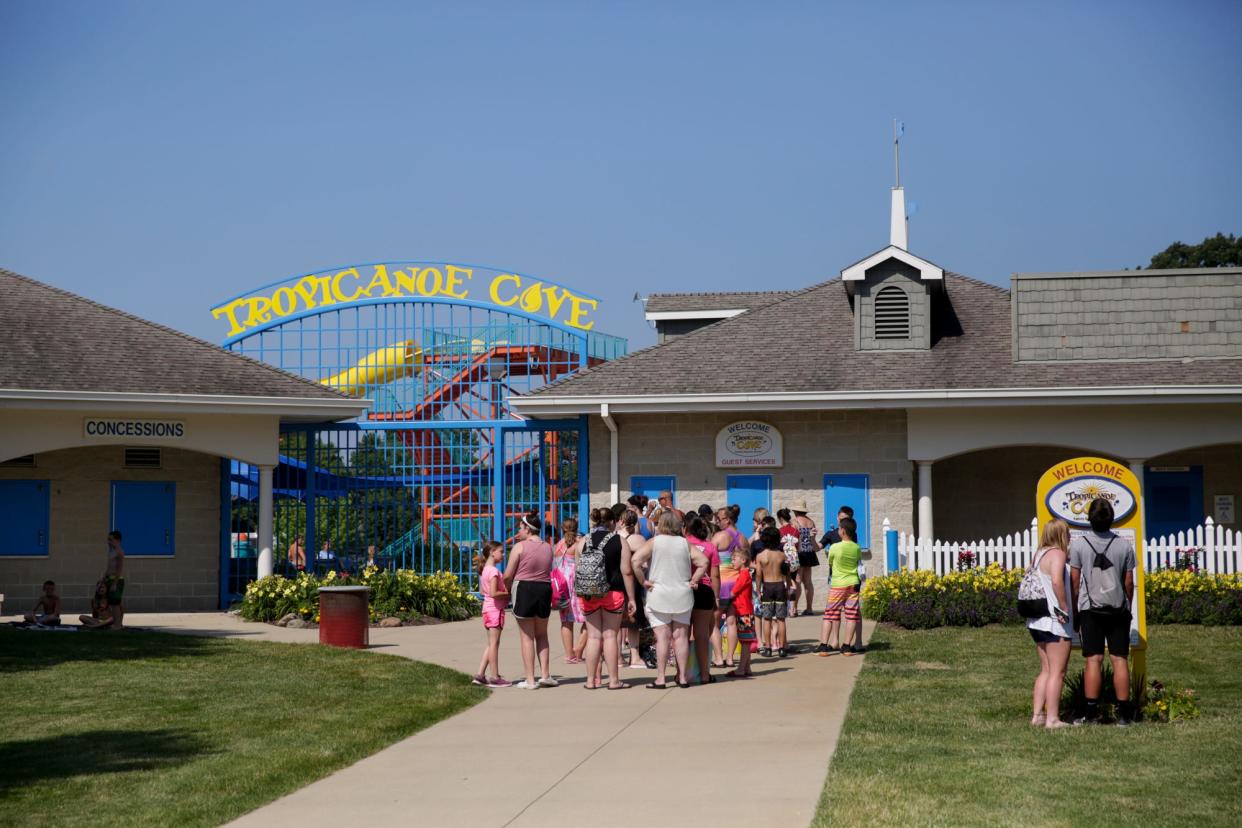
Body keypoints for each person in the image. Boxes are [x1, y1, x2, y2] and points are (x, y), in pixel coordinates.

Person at [1070, 498, 1137, 725]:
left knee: (1093, 660)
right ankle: (1124, 715)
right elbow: (1129, 583)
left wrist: (1076, 611)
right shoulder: (1124, 546)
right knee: (1119, 659)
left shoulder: (1079, 545)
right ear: (1112, 518)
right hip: (1118, 609)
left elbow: (1075, 580)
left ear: (1089, 518)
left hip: (1091, 609)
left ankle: (1090, 714)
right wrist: (1127, 604)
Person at [632, 510, 708, 688]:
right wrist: (694, 579)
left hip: (659, 593)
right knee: (681, 637)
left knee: (662, 638)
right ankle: (682, 677)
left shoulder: (654, 542)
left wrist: (643, 581)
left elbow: (635, 560)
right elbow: (703, 561)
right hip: (682, 593)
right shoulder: (685, 543)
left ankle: (660, 678)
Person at [577, 507, 637, 690]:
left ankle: (590, 681)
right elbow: (627, 571)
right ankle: (613, 681)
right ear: (613, 522)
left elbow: (577, 571)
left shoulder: (583, 541)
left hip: (589, 593)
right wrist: (632, 598)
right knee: (610, 636)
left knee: (594, 637)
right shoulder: (619, 541)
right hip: (613, 593)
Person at [1027, 519, 1073, 728]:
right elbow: (1056, 581)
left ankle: (1038, 715)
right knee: (1057, 672)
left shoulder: (1039, 555)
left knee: (1045, 669)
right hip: (1055, 621)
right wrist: (1064, 606)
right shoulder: (1058, 554)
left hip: (1037, 621)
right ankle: (1053, 718)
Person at [502, 512, 557, 690]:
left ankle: (530, 679)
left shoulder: (520, 547)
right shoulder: (548, 547)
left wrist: (507, 588)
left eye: (520, 527)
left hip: (524, 588)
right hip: (544, 589)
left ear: (527, 528)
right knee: (542, 634)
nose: (519, 531)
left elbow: (508, 574)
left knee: (527, 636)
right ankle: (546, 675)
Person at [817, 517, 864, 655]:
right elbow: (857, 562)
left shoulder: (835, 547)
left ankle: (824, 646)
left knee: (830, 614)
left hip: (838, 584)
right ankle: (847, 646)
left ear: (842, 531)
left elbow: (831, 562)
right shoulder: (856, 547)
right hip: (853, 583)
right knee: (851, 615)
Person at [685, 514, 721, 685]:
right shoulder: (710, 546)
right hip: (705, 589)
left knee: (682, 635)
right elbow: (715, 575)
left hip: (685, 589)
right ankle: (705, 674)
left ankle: (681, 674)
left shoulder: (683, 544)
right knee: (702, 635)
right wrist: (717, 596)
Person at [473, 540, 512, 688]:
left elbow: (484, 592)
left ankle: (480, 674)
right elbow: (494, 593)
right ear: (492, 552)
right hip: (495, 610)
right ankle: (495, 676)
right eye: (501, 551)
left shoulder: (485, 570)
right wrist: (508, 593)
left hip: (487, 609)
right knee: (495, 644)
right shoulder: (494, 571)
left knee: (491, 643)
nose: (503, 554)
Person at [617, 507, 652, 669]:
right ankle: (635, 657)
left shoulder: (614, 537)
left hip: (615, 582)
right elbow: (644, 563)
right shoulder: (638, 539)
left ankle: (617, 657)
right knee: (633, 622)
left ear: (621, 521)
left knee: (616, 623)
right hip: (632, 583)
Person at [712, 504, 746, 668]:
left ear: (727, 519)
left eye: (719, 519)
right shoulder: (742, 538)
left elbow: (708, 559)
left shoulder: (719, 537)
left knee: (713, 622)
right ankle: (730, 657)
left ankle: (718, 657)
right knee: (732, 622)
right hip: (737, 586)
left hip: (721, 585)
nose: (717, 522)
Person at [755, 526, 794, 657]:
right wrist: (788, 587)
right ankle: (782, 648)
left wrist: (758, 590)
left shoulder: (760, 556)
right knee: (781, 619)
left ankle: (768, 648)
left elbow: (758, 575)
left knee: (767, 619)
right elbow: (787, 573)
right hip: (779, 586)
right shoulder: (782, 555)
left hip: (767, 587)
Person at [552, 518, 586, 664]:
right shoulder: (578, 545)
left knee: (566, 621)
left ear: (562, 528)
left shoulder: (557, 545)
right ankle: (578, 649)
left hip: (561, 584)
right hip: (575, 582)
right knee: (590, 618)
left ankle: (569, 655)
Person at [728, 546, 756, 677]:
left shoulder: (743, 575)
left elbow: (733, 592)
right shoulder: (744, 574)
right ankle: (747, 667)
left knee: (745, 642)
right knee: (746, 640)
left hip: (743, 612)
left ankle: (741, 669)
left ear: (743, 560)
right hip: (745, 611)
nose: (732, 562)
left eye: (734, 559)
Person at [790, 501, 820, 615]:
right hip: (810, 553)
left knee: (797, 581)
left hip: (800, 553)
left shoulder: (795, 521)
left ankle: (794, 608)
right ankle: (809, 608)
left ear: (795, 511)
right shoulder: (811, 522)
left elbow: (792, 538)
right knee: (808, 582)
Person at [103, 530, 125, 630]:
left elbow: (119, 569)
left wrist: (115, 583)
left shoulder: (119, 552)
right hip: (109, 579)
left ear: (118, 540)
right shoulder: (112, 552)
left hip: (116, 580)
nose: (109, 542)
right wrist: (103, 578)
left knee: (115, 604)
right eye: (108, 539)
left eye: (111, 540)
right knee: (113, 603)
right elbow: (109, 568)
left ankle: (117, 625)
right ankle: (117, 623)